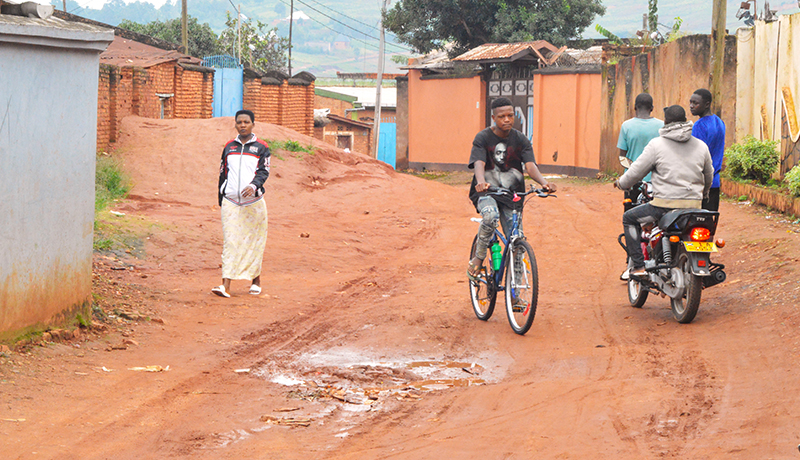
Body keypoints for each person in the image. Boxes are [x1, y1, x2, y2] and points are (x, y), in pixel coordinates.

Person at [615, 105, 713, 278]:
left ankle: (638, 267)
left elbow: (635, 172)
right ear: (685, 121)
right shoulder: (701, 146)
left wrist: (622, 183)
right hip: (693, 208)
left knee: (628, 218)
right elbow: (708, 176)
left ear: (665, 122)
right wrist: (703, 196)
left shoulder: (656, 145)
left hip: (663, 207)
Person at [467, 97, 556, 279]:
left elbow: (530, 166)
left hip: (512, 195)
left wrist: (544, 183)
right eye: (502, 116)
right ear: (493, 117)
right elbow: (479, 163)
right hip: (487, 192)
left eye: (510, 115)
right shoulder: (483, 138)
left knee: (517, 240)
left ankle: (515, 294)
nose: (506, 119)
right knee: (490, 216)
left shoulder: (521, 139)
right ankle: (478, 258)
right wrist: (481, 182)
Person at [212, 110, 271, 298]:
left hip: (253, 202)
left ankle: (255, 281)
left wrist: (254, 186)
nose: (243, 125)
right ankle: (225, 285)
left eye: (246, 122)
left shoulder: (261, 147)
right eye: (239, 122)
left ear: (253, 124)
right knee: (231, 241)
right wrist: (221, 197)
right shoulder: (229, 147)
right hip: (231, 201)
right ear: (235, 125)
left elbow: (264, 171)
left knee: (254, 240)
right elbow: (223, 173)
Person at [616, 93, 664, 280]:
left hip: (634, 183)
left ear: (634, 107)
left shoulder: (627, 126)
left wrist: (630, 173)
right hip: (659, 183)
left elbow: (622, 156)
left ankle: (634, 263)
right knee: (660, 221)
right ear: (652, 108)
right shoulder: (661, 125)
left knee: (631, 221)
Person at [689, 88, 726, 211]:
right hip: (715, 181)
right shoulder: (719, 122)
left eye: (695, 103)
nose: (691, 106)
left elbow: (695, 155)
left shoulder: (699, 125)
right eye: (691, 102)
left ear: (707, 104)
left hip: (701, 183)